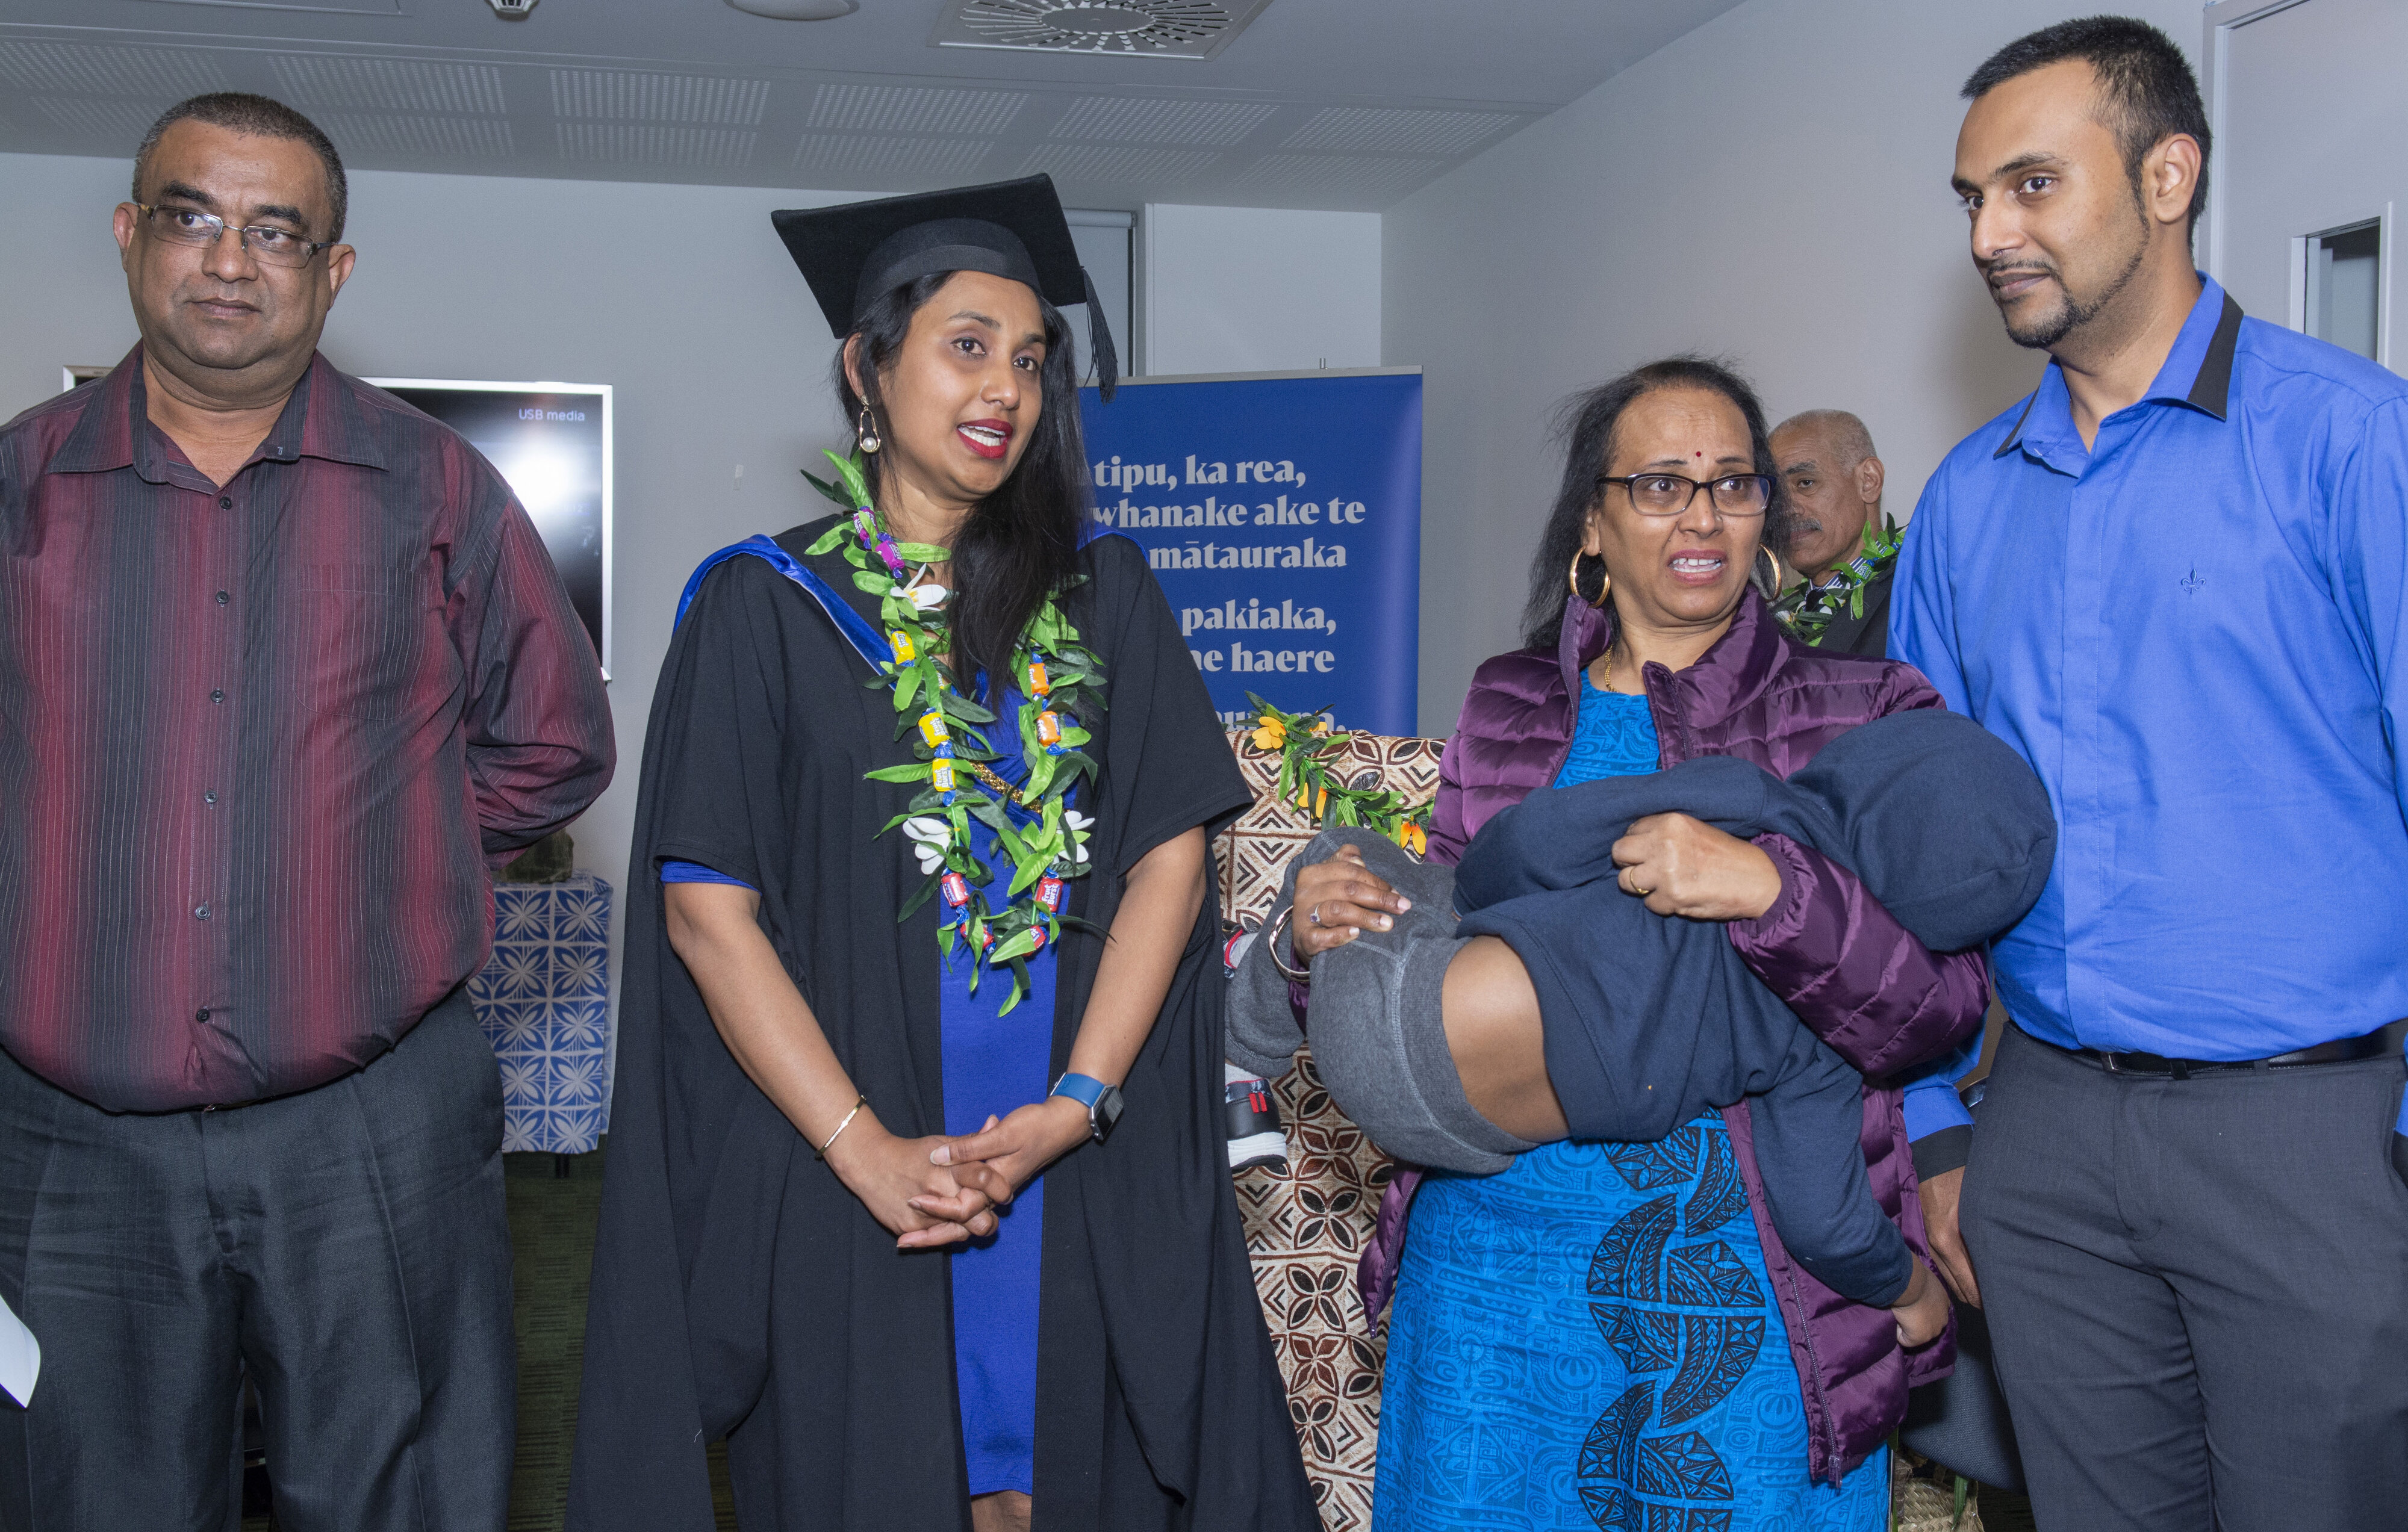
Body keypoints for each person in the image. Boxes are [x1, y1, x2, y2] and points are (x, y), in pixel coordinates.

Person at [568, 176, 1316, 1532]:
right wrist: (864, 1152)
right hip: (856, 1167)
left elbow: (1165, 858)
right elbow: (704, 911)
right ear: (868, 365)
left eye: (1030, 359)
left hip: (1071, 1164)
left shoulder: (1108, 594)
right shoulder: (763, 608)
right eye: (967, 344)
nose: (1006, 388)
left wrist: (1079, 1101)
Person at [1234, 358, 2000, 1531]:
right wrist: (1317, 938)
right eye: (1658, 485)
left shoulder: (1868, 712)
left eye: (1731, 484)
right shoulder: (1507, 705)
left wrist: (1767, 888)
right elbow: (1441, 975)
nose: (1700, 515)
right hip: (1493, 1280)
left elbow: (1937, 1008)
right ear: (1592, 522)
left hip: (1753, 1289)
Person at [0, 93, 615, 1529]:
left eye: (277, 231)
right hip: (73, 1151)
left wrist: (370, 848)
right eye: (193, 216)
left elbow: (551, 743)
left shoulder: (439, 491)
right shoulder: (18, 489)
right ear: (129, 236)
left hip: (373, 1130)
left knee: (403, 1498)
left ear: (332, 273)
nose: (231, 260)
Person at [1896, 17, 2408, 1530]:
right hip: (2044, 1143)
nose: (1991, 234)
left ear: (2166, 174)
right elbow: (1916, 854)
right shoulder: (1962, 505)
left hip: (2315, 1140)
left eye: (2033, 185)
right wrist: (1935, 1127)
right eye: (1973, 197)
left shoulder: (2350, 444)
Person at [1770, 410, 1894, 655]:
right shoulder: (1765, 625)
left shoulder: (1916, 593)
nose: (1786, 510)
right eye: (1776, 494)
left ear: (1869, 481)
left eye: (1806, 483)